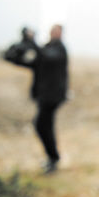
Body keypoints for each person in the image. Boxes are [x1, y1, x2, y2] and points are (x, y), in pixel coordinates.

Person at [4, 25, 68, 173]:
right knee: (44, 126)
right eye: (52, 30)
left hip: (52, 97)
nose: (53, 33)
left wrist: (32, 41)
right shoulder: (47, 48)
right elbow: (35, 62)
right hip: (44, 96)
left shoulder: (59, 49)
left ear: (61, 34)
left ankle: (53, 158)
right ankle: (53, 158)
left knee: (41, 125)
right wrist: (14, 55)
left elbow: (46, 56)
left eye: (56, 31)